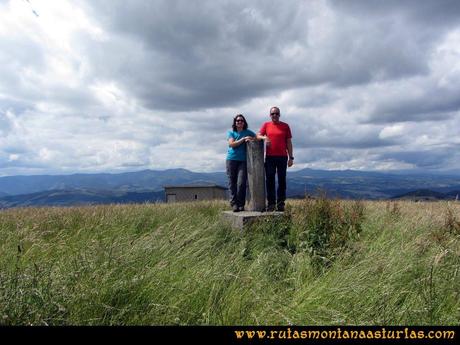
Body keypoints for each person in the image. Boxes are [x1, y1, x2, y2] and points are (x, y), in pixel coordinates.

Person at [257, 106, 293, 212]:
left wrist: (291, 157)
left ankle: (281, 204)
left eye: (277, 113)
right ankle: (271, 204)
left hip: (282, 157)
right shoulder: (266, 125)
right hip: (270, 157)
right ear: (270, 115)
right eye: (273, 114)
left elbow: (289, 142)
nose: (275, 115)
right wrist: (265, 137)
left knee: (282, 181)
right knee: (270, 181)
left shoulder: (285, 126)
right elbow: (258, 135)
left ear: (279, 115)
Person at [226, 114, 256, 212]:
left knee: (241, 183)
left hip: (243, 161)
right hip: (231, 159)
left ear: (244, 122)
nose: (239, 122)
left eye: (241, 120)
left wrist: (262, 138)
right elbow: (232, 144)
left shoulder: (247, 132)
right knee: (232, 182)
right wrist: (243, 139)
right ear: (235, 122)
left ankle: (241, 204)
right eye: (238, 120)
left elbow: (256, 137)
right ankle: (234, 203)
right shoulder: (231, 132)